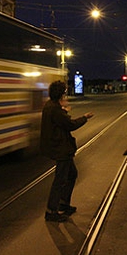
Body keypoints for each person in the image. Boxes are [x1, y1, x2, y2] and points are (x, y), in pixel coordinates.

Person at [40, 80, 94, 222]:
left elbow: (59, 122)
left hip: (60, 147)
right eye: (64, 93)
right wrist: (85, 117)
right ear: (60, 94)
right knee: (60, 179)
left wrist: (64, 111)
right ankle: (51, 211)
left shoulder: (50, 106)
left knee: (71, 175)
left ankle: (63, 204)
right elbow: (70, 125)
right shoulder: (55, 109)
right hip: (61, 148)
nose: (66, 95)